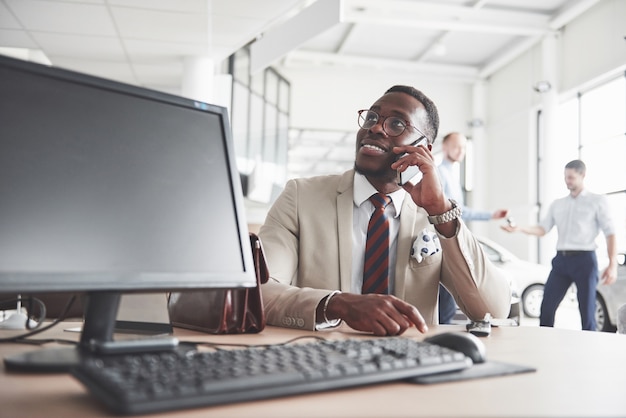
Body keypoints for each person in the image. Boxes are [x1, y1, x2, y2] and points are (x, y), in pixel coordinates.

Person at [258, 85, 511, 336]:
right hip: (319, 360)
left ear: (424, 148)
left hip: (409, 364)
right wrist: (337, 305)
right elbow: (260, 291)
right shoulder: (301, 197)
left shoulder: (434, 215)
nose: (376, 127)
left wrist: (441, 212)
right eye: (371, 117)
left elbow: (493, 311)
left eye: (397, 124)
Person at [501, 159, 617, 331]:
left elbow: (610, 232)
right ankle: (545, 345)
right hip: (561, 261)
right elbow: (543, 229)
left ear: (582, 175)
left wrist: (612, 264)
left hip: (585, 260)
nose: (567, 181)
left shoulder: (597, 201)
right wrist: (519, 229)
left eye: (571, 177)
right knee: (547, 307)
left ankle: (591, 349)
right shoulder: (558, 204)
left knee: (587, 311)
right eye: (565, 177)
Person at [436, 131, 509, 324]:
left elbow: (459, 212)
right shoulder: (439, 174)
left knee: (448, 305)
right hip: (442, 243)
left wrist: (490, 215)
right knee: (445, 306)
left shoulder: (452, 175)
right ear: (445, 148)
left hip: (453, 240)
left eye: (463, 147)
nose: (461, 151)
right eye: (456, 147)